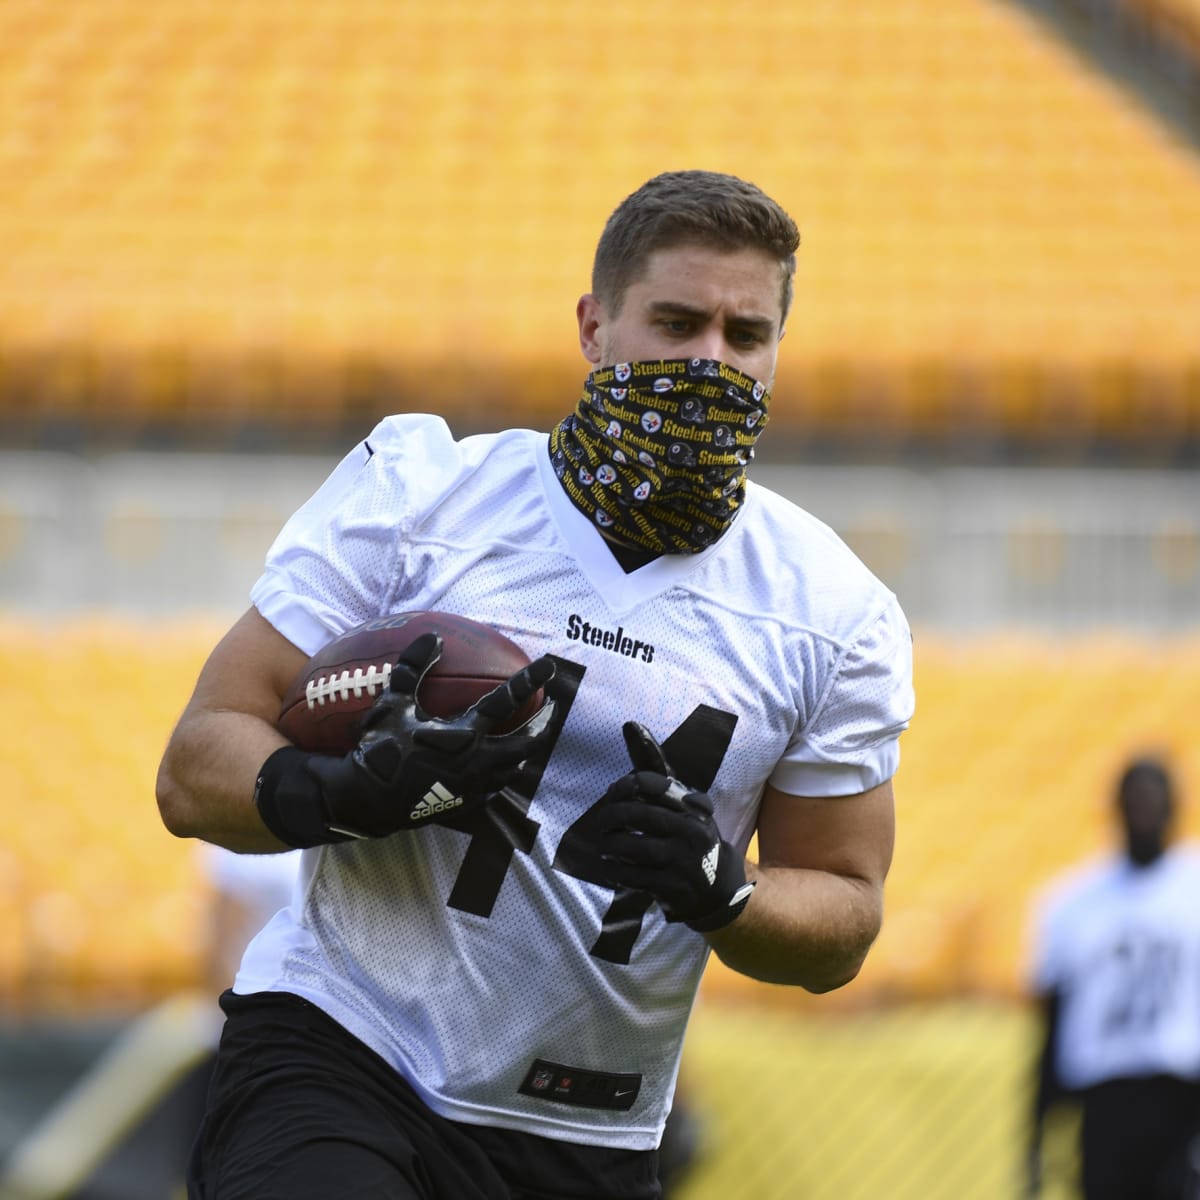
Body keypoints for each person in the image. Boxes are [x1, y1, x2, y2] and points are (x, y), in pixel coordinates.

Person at [156, 169, 915, 1200]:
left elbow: (842, 916)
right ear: (596, 328)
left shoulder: (831, 610)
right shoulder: (426, 494)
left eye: (746, 337)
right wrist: (341, 794)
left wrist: (727, 893)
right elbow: (197, 763)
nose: (709, 362)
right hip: (342, 1049)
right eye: (678, 321)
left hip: (587, 1126)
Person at [1027, 757, 1200, 1200]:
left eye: (1153, 800)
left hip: (1182, 1099)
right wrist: (1036, 1136)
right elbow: (1051, 1029)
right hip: (1105, 1104)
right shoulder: (1070, 903)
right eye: (1134, 801)